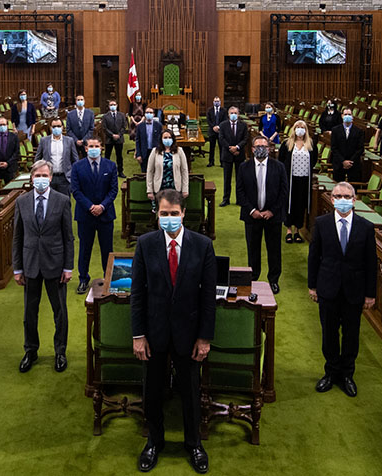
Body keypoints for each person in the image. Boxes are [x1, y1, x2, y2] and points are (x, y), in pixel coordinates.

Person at [131, 188, 216, 474]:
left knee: (191, 392)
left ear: (184, 214)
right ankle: (154, 442)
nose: (169, 218)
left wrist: (204, 337)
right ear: (157, 215)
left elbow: (207, 297)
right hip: (154, 332)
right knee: (152, 390)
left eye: (174, 214)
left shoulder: (202, 246)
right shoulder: (145, 244)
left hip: (189, 334)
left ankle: (194, 445)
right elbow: (137, 294)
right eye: (163, 214)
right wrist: (138, 335)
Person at [308, 181, 377, 398]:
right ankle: (331, 372)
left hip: (354, 291)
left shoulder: (365, 227)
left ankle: (347, 374)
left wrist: (370, 294)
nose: (342, 200)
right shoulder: (322, 223)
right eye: (338, 196)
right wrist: (312, 286)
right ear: (332, 198)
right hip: (327, 287)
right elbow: (314, 257)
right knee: (328, 333)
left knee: (351, 334)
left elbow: (370, 263)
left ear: (354, 200)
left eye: (347, 196)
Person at [13, 160, 74, 373]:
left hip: (55, 264)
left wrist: (68, 267)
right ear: (31, 178)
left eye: (44, 175)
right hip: (30, 265)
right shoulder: (21, 201)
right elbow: (17, 237)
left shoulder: (62, 200)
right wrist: (17, 268)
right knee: (30, 312)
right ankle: (31, 350)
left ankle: (60, 351)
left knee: (60, 312)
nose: (40, 179)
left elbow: (69, 237)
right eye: (36, 176)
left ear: (50, 177)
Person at [237, 136, 288, 295]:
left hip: (272, 216)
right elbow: (240, 192)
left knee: (274, 249)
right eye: (258, 146)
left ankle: (273, 280)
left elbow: (283, 192)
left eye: (264, 146)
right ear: (252, 149)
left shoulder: (278, 167)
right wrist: (252, 211)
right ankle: (254, 278)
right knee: (253, 249)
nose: (261, 149)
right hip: (252, 216)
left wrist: (271, 211)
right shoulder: (244, 167)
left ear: (269, 149)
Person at [70, 137, 119, 295]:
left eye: (96, 145)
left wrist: (102, 206)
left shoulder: (110, 166)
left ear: (101, 147)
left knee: (107, 250)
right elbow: (76, 191)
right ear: (85, 148)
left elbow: (113, 191)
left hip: (105, 215)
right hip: (85, 215)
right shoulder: (77, 167)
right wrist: (90, 207)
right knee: (85, 249)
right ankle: (83, 279)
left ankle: (109, 279)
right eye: (91, 146)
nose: (93, 148)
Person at [279, 120, 317, 244]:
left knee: (301, 205)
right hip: (291, 179)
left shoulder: (310, 144)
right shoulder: (287, 143)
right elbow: (281, 160)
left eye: (303, 127)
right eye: (298, 127)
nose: (300, 130)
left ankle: (297, 231)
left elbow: (314, 160)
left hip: (304, 180)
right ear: (294, 129)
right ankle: (289, 230)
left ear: (306, 130)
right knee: (290, 203)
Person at [35, 118, 78, 196]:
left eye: (58, 126)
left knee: (65, 203)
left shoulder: (69, 141)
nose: (56, 128)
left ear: (62, 127)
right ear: (50, 128)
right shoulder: (44, 141)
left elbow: (75, 159)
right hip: (49, 177)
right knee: (50, 203)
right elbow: (37, 159)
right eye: (54, 126)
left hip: (65, 177)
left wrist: (73, 175)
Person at [146, 130, 189, 205]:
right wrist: (150, 190)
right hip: (160, 188)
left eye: (169, 137)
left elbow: (184, 171)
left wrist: (185, 189)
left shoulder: (179, 151)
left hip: (175, 188)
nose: (167, 139)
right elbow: (150, 171)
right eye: (165, 137)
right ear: (161, 139)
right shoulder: (155, 152)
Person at [217, 106, 249, 207]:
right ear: (228, 114)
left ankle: (240, 199)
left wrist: (237, 147)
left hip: (239, 154)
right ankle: (226, 199)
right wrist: (230, 148)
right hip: (227, 154)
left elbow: (245, 138)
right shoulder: (223, 125)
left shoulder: (243, 125)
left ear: (238, 114)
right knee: (227, 179)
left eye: (235, 113)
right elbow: (221, 139)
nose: (233, 115)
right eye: (231, 113)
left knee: (240, 179)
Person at [329, 108, 364, 183]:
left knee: (353, 189)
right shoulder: (335, 130)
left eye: (349, 114)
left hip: (353, 165)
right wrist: (343, 161)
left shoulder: (359, 131)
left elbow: (360, 148)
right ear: (342, 116)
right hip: (339, 164)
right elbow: (334, 148)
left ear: (352, 117)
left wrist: (350, 162)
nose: (347, 116)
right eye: (345, 114)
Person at [0, 115, 20, 185]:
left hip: (10, 168)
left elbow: (16, 152)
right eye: (0, 125)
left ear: (7, 125)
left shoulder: (14, 137)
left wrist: (7, 163)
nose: (2, 126)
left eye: (4, 124)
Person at [102, 99, 128, 178]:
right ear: (109, 106)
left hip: (119, 139)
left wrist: (119, 135)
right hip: (109, 139)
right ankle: (106, 171)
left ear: (117, 105)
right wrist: (112, 135)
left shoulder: (121, 115)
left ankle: (120, 171)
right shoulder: (105, 116)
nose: (113, 106)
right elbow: (104, 128)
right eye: (111, 105)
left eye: (114, 104)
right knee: (107, 156)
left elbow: (124, 126)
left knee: (119, 156)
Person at [135, 107, 162, 174]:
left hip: (155, 151)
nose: (149, 114)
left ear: (154, 114)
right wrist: (138, 154)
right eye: (147, 112)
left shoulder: (158, 125)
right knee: (144, 172)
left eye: (150, 112)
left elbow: (161, 140)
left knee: (156, 171)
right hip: (144, 152)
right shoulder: (140, 126)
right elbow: (138, 141)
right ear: (144, 114)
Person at [67, 95, 96, 159]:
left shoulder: (90, 113)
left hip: (86, 142)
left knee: (87, 161)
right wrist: (76, 140)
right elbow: (68, 130)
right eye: (78, 100)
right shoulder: (70, 114)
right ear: (76, 101)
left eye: (81, 100)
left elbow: (91, 129)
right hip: (74, 143)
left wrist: (83, 140)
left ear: (84, 101)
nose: (80, 101)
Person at [205, 97, 227, 167]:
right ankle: (211, 162)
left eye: (218, 101)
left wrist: (219, 127)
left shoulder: (224, 110)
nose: (216, 102)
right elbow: (208, 120)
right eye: (215, 101)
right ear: (213, 102)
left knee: (221, 147)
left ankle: (222, 162)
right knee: (212, 147)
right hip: (212, 131)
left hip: (221, 131)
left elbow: (225, 120)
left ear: (220, 102)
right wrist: (213, 127)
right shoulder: (209, 110)